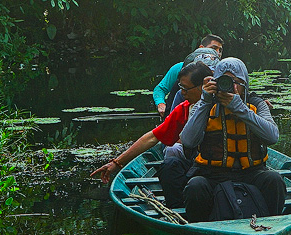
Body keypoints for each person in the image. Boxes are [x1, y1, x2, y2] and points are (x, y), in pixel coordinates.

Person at [176, 57, 286, 221]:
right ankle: (200, 229)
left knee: (274, 180)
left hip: (251, 172)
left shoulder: (256, 104)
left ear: (245, 85)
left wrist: (240, 109)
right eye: (226, 81)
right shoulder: (205, 103)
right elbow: (188, 141)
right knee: (195, 186)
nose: (232, 87)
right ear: (216, 82)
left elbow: (272, 137)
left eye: (237, 82)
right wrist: (205, 102)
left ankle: (270, 226)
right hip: (212, 174)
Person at [91, 61, 213, 206]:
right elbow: (152, 137)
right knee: (170, 165)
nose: (182, 93)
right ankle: (177, 210)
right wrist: (117, 163)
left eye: (186, 89)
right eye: (180, 88)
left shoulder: (224, 106)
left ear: (203, 86)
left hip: (221, 170)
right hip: (196, 166)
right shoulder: (184, 109)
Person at [152, 34, 224, 118]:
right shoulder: (179, 69)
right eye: (214, 48)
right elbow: (160, 88)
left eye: (220, 50)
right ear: (201, 48)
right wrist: (161, 104)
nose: (218, 53)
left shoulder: (221, 70)